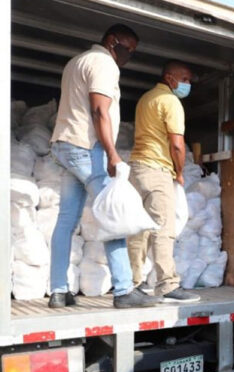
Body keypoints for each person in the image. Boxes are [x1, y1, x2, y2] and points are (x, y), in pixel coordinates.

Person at [49, 24, 158, 309]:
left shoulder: (76, 61)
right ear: (112, 41)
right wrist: (111, 153)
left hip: (65, 145)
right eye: (128, 48)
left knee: (66, 221)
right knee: (114, 213)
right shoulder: (104, 64)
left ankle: (59, 291)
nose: (129, 55)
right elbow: (99, 110)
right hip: (86, 148)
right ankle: (123, 290)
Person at [127, 61, 199, 303]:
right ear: (170, 77)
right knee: (163, 228)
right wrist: (179, 172)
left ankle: (133, 284)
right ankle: (167, 284)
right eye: (185, 79)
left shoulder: (146, 98)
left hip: (137, 169)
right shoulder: (170, 101)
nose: (187, 85)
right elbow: (177, 143)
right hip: (157, 170)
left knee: (140, 229)